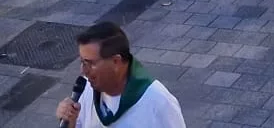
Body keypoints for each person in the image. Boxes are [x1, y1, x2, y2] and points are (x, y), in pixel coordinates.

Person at [54, 22, 185, 128]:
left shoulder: (158, 102)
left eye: (90, 63)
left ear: (116, 61)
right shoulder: (86, 88)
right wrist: (69, 123)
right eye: (82, 62)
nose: (84, 71)